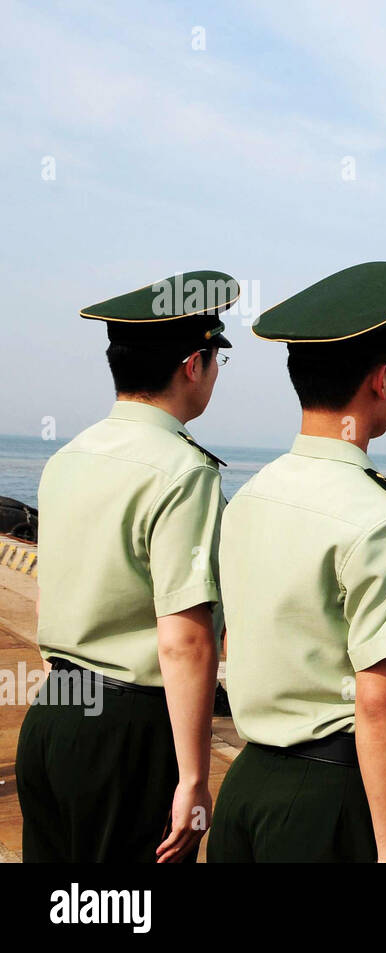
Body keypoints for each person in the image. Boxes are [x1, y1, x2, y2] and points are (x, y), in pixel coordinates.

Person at [208, 261, 386, 863]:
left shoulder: (249, 497)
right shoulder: (384, 518)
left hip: (246, 785)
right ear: (382, 379)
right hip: (327, 798)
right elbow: (382, 699)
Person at [16, 270, 235, 863]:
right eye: (217, 360)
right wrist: (193, 776)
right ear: (193, 365)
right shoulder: (186, 472)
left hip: (55, 709)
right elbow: (186, 640)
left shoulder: (67, 458)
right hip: (132, 730)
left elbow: (50, 593)